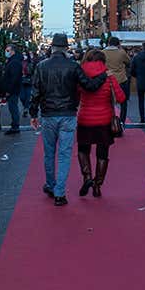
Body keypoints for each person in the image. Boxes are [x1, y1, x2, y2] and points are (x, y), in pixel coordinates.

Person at [29, 33, 107, 206]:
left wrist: (33, 114)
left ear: (52, 47)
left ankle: (50, 185)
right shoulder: (73, 66)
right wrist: (103, 76)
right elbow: (89, 86)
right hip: (68, 114)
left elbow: (35, 92)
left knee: (49, 153)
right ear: (65, 48)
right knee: (64, 155)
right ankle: (60, 193)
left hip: (48, 114)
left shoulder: (42, 66)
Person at [75, 49, 126, 197]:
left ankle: (87, 177)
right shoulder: (109, 77)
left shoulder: (81, 75)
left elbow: (76, 94)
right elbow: (121, 98)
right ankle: (97, 185)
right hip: (104, 120)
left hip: (85, 118)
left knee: (83, 149)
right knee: (102, 153)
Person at [103, 36, 132, 129]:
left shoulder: (102, 52)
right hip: (121, 79)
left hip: (108, 80)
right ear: (118, 44)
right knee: (123, 102)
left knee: (108, 102)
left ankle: (108, 121)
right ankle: (122, 122)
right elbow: (128, 62)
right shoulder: (121, 52)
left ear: (108, 43)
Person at [3, 43, 24, 134]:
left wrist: (9, 90)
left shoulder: (14, 62)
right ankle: (14, 125)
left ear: (12, 51)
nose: (6, 52)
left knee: (13, 107)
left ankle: (15, 126)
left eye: (8, 51)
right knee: (12, 107)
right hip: (14, 88)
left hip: (13, 89)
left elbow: (14, 78)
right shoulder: (13, 60)